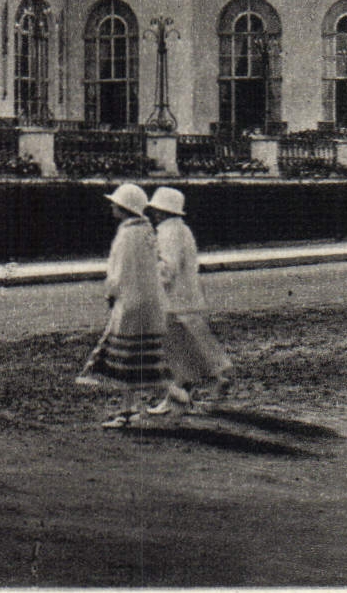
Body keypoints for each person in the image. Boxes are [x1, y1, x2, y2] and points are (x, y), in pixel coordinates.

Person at [75, 183, 171, 428]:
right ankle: (169, 398)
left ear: (125, 207)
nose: (111, 206)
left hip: (131, 302)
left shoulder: (126, 235)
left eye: (115, 203)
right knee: (144, 357)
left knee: (128, 359)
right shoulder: (148, 231)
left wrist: (111, 293)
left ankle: (128, 412)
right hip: (151, 301)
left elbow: (118, 271)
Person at [145, 187, 231, 413]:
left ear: (161, 211)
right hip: (187, 298)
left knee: (172, 350)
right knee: (192, 343)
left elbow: (167, 267)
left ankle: (182, 394)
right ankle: (214, 377)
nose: (154, 214)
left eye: (155, 210)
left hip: (172, 301)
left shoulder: (166, 232)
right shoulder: (183, 230)